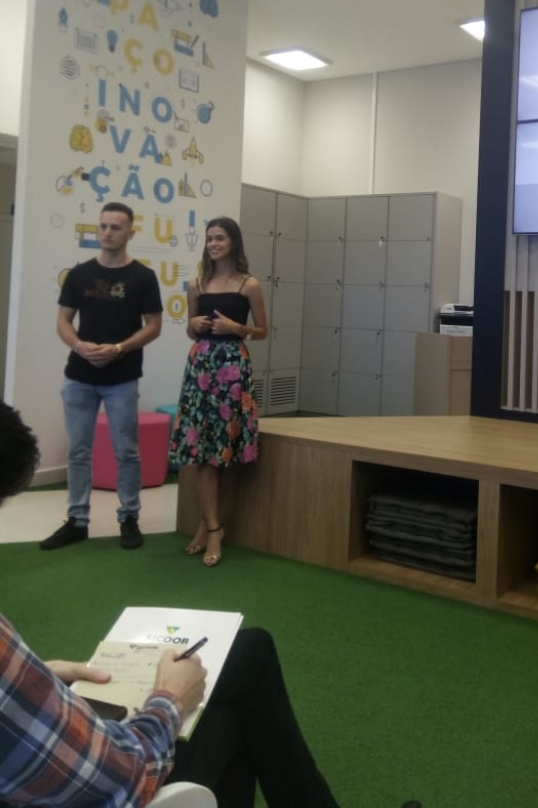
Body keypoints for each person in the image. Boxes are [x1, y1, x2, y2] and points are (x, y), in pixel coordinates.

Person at [0, 400, 421, 808]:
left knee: (244, 662)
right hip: (114, 781)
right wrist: (169, 700)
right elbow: (120, 773)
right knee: (241, 685)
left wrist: (42, 673)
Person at [41, 202, 163, 552]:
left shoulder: (143, 277)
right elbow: (63, 321)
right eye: (104, 226)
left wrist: (119, 348)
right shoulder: (79, 274)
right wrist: (79, 346)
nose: (107, 232)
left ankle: (129, 517)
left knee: (126, 451)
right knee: (78, 450)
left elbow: (153, 326)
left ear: (130, 233)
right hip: (79, 376)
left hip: (122, 377)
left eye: (116, 227)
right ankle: (77, 521)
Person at [169, 217, 267, 567]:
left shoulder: (249, 284)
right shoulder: (196, 284)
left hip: (233, 368)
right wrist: (193, 325)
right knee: (204, 449)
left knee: (225, 449)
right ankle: (213, 527)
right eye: (209, 238)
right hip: (201, 367)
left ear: (233, 242)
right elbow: (191, 331)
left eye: (220, 238)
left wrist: (236, 327)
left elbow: (262, 330)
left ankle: (208, 525)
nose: (213, 243)